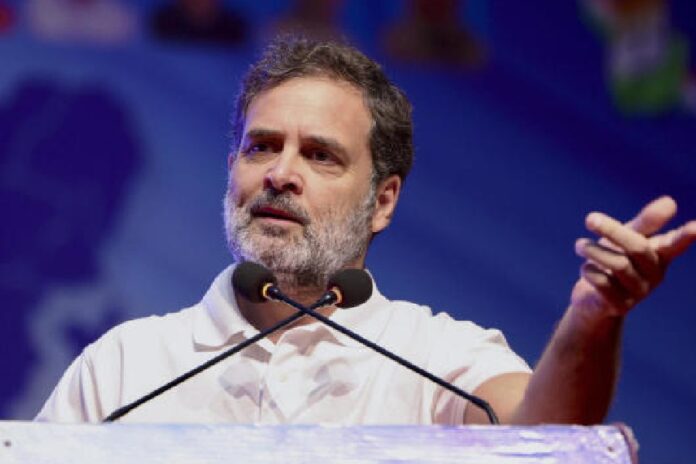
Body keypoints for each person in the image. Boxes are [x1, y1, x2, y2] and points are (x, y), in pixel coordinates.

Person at [36, 36, 696, 424]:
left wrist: (594, 320)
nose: (280, 174)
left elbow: (544, 435)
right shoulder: (127, 365)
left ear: (383, 202)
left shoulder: (438, 358)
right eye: (261, 147)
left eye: (320, 155)